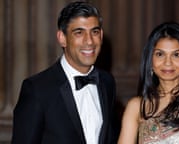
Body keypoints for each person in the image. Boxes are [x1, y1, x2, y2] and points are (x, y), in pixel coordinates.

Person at [11, 1, 117, 144]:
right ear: (62, 38)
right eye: (79, 33)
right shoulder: (37, 89)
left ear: (101, 35)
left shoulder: (107, 82)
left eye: (95, 32)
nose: (90, 41)